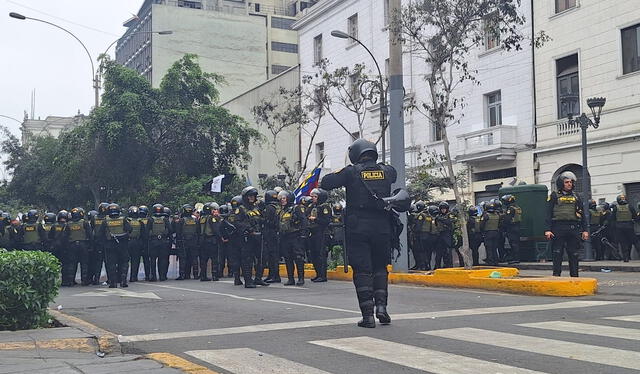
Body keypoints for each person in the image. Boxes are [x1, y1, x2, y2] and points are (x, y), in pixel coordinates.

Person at [320, 138, 397, 328]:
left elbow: (326, 183)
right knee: (380, 268)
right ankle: (382, 307)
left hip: (358, 228)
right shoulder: (387, 171)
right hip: (382, 227)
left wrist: (344, 172)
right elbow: (393, 178)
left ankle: (368, 316)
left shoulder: (351, 172)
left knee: (362, 270)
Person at [544, 171, 588, 277]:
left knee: (574, 254)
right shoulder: (554, 196)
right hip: (558, 227)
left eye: (571, 182)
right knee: (557, 253)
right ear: (561, 183)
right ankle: (556, 276)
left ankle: (575, 276)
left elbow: (582, 214)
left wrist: (585, 230)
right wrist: (547, 229)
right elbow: (548, 213)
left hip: (573, 227)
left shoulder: (576, 196)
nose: (569, 184)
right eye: (566, 182)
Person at [237, 186, 268, 288]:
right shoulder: (241, 209)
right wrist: (248, 229)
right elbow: (238, 222)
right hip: (248, 237)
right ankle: (248, 280)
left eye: (253, 196)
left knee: (262, 258)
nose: (252, 198)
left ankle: (258, 278)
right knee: (247, 259)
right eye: (250, 196)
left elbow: (262, 219)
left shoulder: (257, 208)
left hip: (259, 236)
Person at [277, 190, 307, 286]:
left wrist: (303, 235)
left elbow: (303, 221)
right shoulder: (282, 211)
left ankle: (301, 278)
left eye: (284, 198)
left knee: (298, 257)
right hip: (285, 237)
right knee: (288, 258)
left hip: (295, 236)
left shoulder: (296, 208)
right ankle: (290, 279)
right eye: (281, 198)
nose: (282, 200)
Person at [100, 203, 132, 288]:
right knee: (124, 262)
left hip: (110, 245)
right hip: (122, 245)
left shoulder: (105, 221)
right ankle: (123, 281)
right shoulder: (123, 219)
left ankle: (113, 283)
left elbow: (100, 234)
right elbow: (130, 229)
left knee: (111, 264)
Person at [309, 188, 331, 282]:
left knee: (320, 254)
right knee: (313, 254)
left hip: (321, 232)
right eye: (312, 196)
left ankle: (322, 275)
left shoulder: (324, 207)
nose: (313, 198)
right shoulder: (312, 206)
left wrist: (315, 219)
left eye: (315, 196)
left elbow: (326, 221)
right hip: (313, 232)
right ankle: (318, 274)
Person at [66, 207, 92, 286]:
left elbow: (65, 236)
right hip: (83, 245)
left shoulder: (68, 224)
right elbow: (90, 235)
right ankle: (84, 281)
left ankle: (70, 281)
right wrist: (90, 245)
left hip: (72, 245)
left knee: (72, 263)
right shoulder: (84, 223)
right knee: (84, 263)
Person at [147, 204, 172, 281]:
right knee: (163, 259)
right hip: (163, 241)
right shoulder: (165, 219)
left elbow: (147, 230)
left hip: (153, 242)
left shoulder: (151, 219)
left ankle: (153, 276)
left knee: (153, 260)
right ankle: (162, 276)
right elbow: (170, 230)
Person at [197, 202, 222, 281]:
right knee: (214, 259)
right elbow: (216, 230)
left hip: (202, 241)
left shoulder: (201, 218)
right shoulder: (212, 218)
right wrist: (220, 237)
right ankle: (215, 275)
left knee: (203, 260)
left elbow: (197, 230)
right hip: (211, 240)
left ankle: (203, 276)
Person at [611, 195, 638, 262]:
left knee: (623, 243)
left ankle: (626, 258)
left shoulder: (615, 208)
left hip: (619, 227)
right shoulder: (630, 206)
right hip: (629, 226)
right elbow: (635, 217)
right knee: (635, 241)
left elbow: (612, 219)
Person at [175, 204, 199, 280]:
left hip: (183, 241)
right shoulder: (195, 220)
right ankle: (195, 274)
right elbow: (198, 231)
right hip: (194, 241)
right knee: (194, 258)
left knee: (183, 258)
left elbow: (178, 232)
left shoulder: (181, 220)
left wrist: (177, 242)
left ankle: (182, 274)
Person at [262, 190, 282, 283]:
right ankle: (274, 275)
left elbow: (267, 221)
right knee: (274, 255)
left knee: (271, 255)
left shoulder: (269, 207)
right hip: (276, 233)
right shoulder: (278, 206)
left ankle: (273, 275)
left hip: (270, 233)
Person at [127, 206, 147, 282]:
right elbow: (143, 234)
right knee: (135, 261)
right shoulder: (140, 222)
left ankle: (122, 277)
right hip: (137, 242)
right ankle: (133, 277)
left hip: (127, 242)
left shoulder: (127, 221)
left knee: (124, 260)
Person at [501, 194, 522, 264]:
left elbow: (507, 219)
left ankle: (516, 259)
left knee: (513, 244)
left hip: (512, 228)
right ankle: (516, 258)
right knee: (516, 243)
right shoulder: (517, 207)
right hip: (517, 227)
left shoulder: (511, 209)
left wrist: (503, 226)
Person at [480, 202, 501, 266]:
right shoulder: (497, 215)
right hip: (496, 233)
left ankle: (491, 262)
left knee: (489, 248)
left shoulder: (486, 215)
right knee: (494, 248)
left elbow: (481, 225)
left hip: (488, 233)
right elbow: (500, 224)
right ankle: (496, 261)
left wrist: (482, 232)